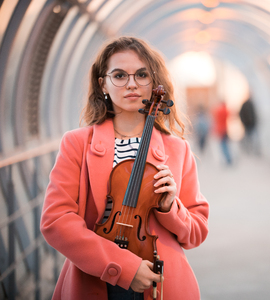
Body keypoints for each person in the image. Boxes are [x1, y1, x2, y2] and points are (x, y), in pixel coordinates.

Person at [40, 37, 209, 300]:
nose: (132, 84)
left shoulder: (178, 149)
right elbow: (56, 220)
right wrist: (126, 267)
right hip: (96, 277)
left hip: (161, 281)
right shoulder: (77, 144)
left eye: (142, 74)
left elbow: (196, 232)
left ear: (154, 82)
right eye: (119, 75)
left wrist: (169, 208)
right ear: (103, 83)